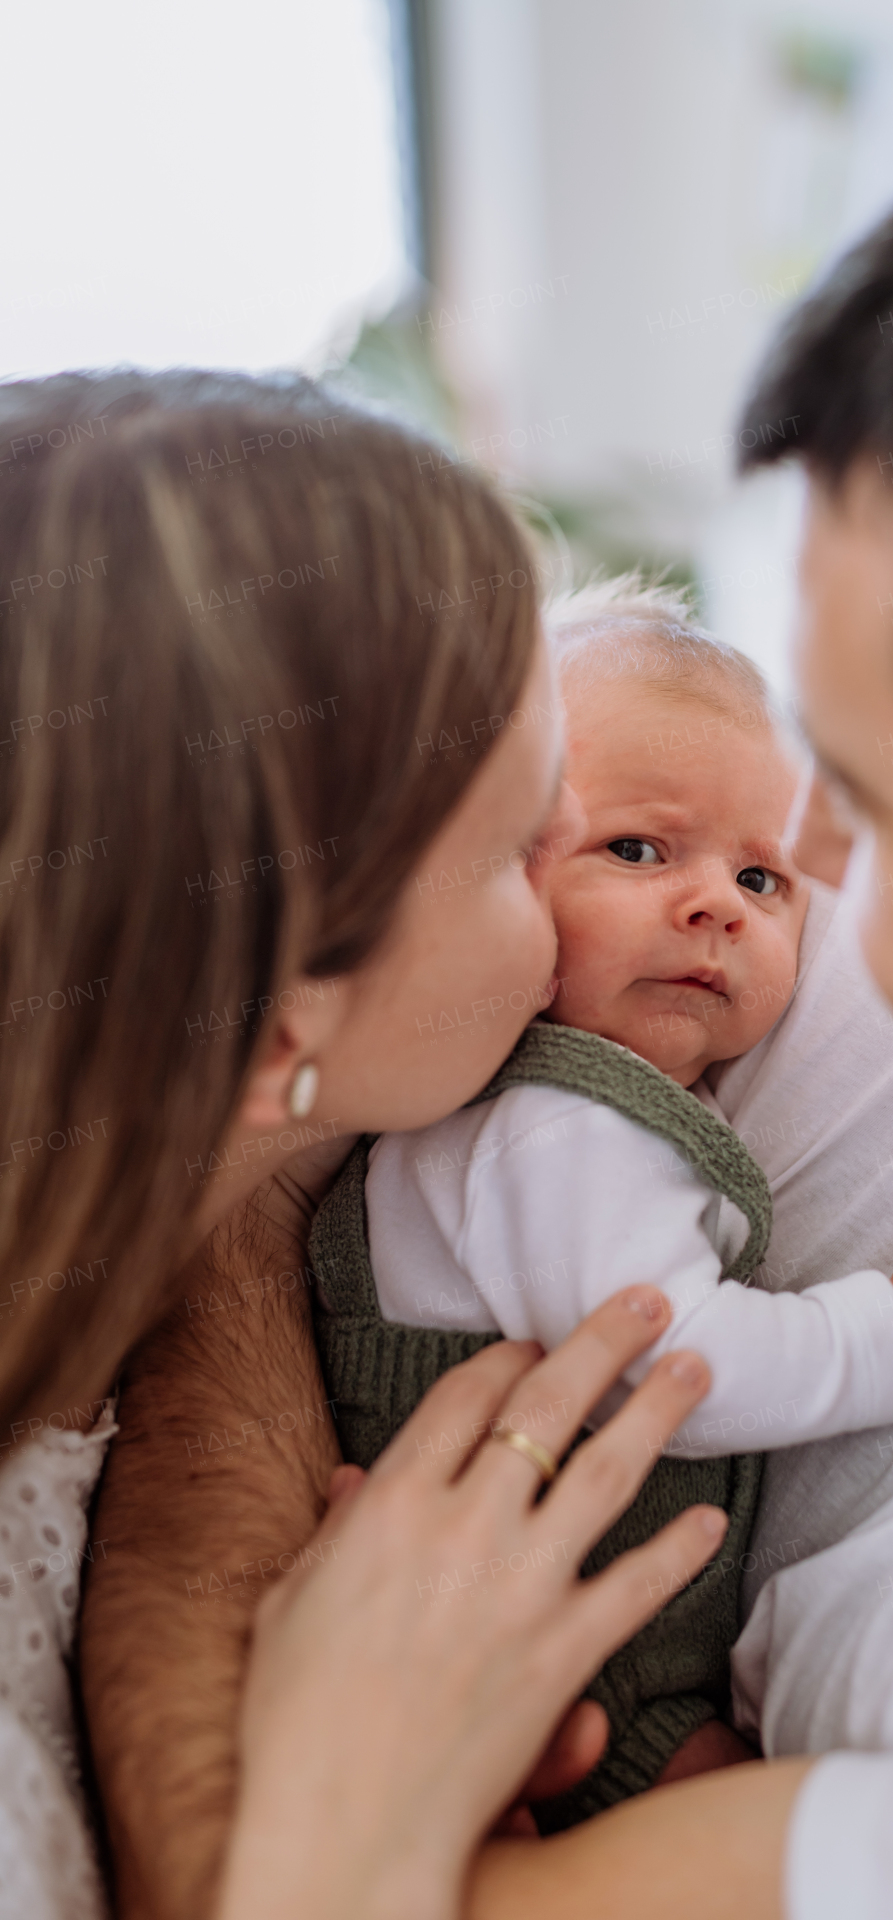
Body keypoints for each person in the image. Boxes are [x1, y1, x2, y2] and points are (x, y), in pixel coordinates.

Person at [82, 60, 893, 1920]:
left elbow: (290, 1882)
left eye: (858, 813)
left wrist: (340, 1737)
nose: (773, 896)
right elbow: (287, 1135)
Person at [0, 368, 738, 1920]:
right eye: (532, 838)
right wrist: (346, 1830)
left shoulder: (162, 1163)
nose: (585, 894)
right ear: (279, 1030)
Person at [328, 584, 893, 1822]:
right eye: (636, 849)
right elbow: (669, 1364)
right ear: (499, 873)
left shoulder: (613, 1113)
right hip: (565, 1669)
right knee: (769, 1832)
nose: (715, 905)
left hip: (596, 1640)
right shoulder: (552, 1125)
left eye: (763, 876)